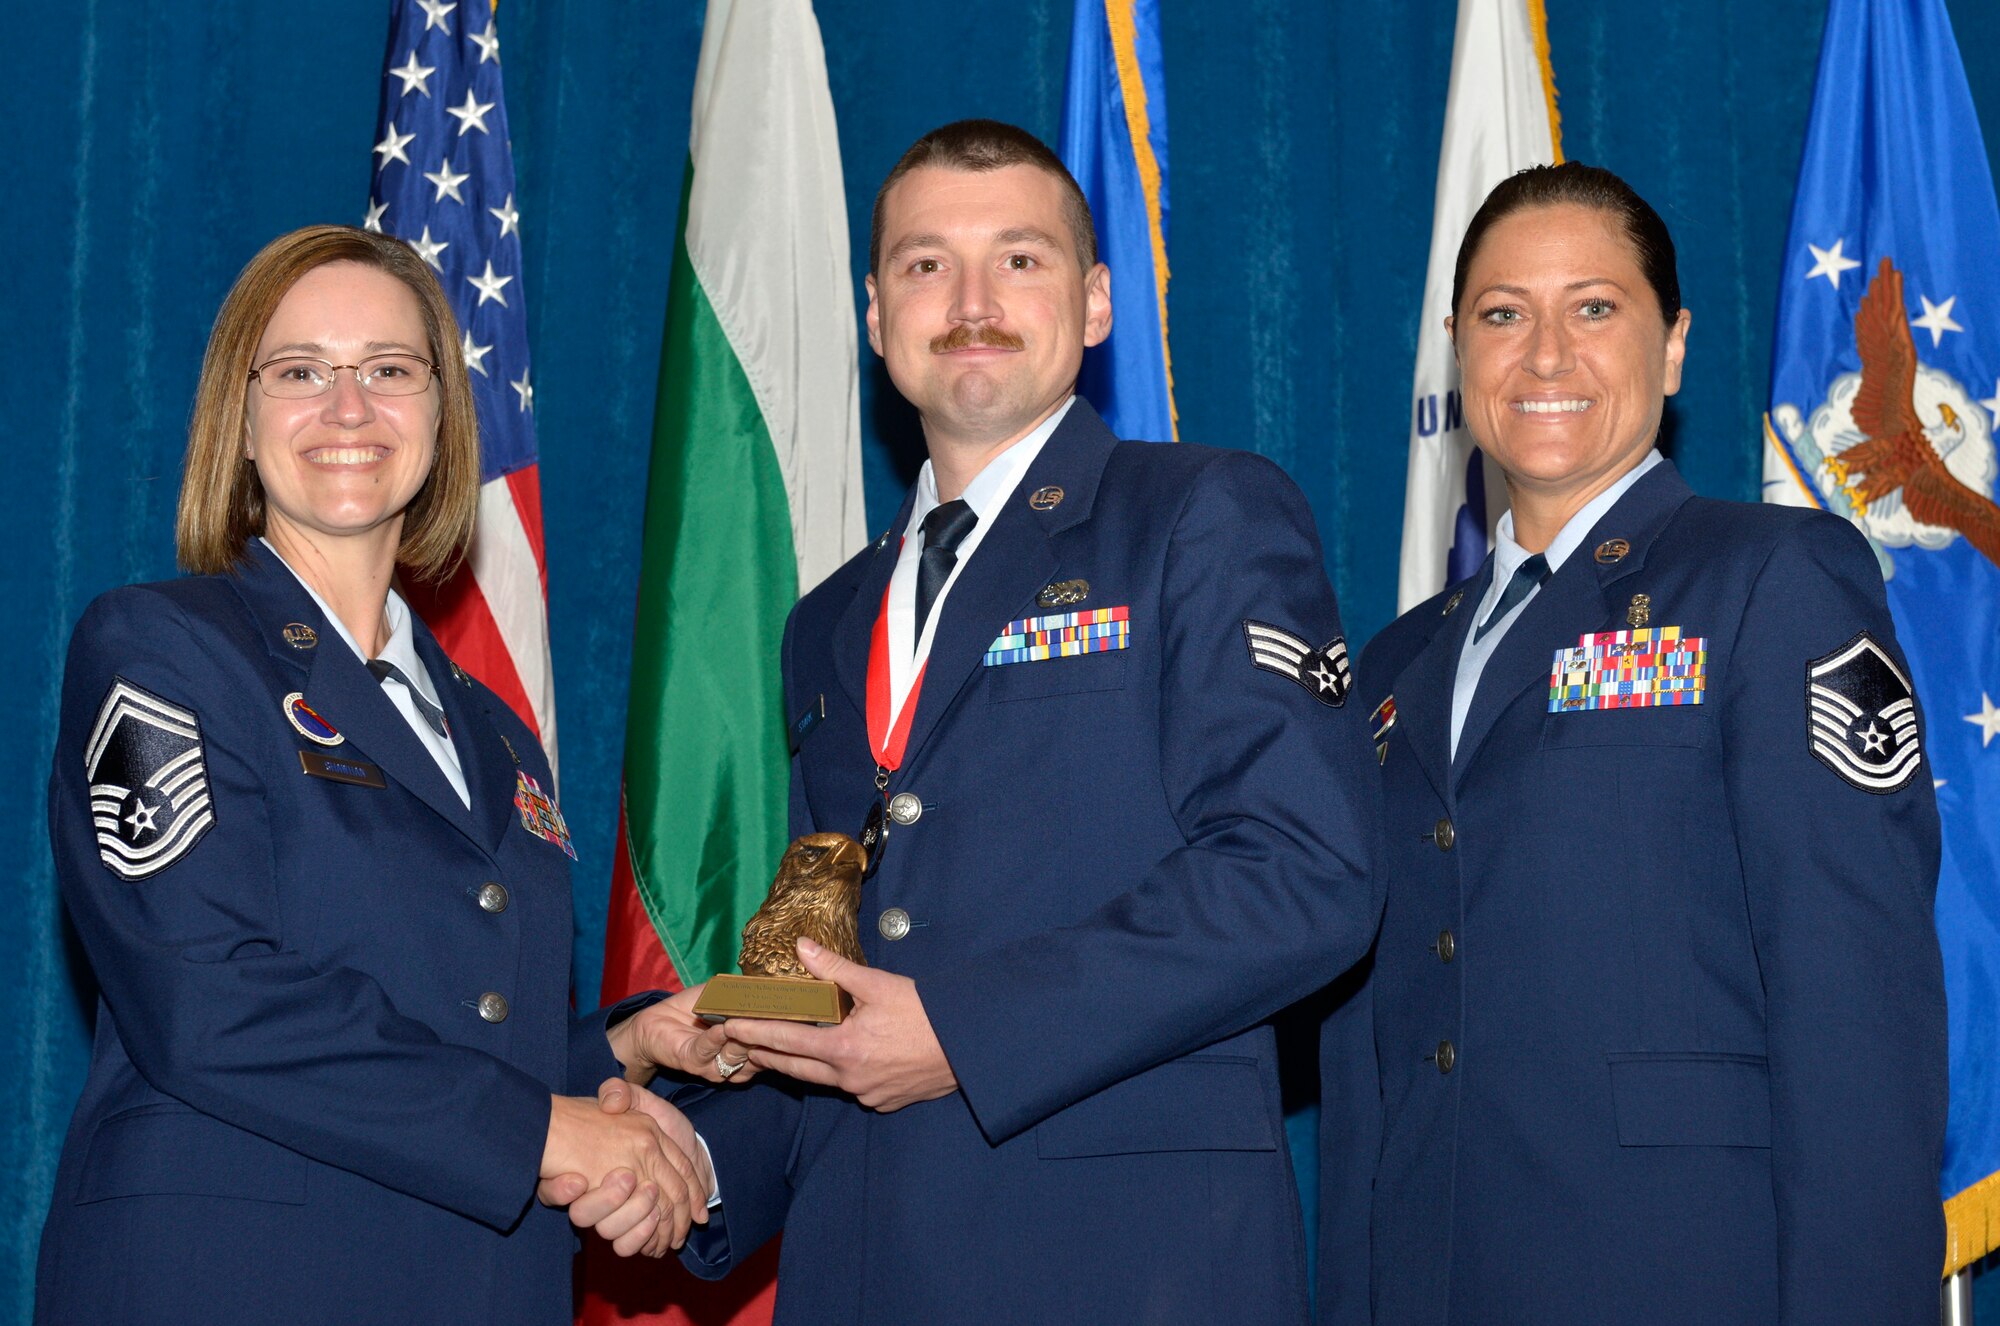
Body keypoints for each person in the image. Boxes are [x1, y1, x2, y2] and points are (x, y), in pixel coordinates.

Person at [570, 119, 1386, 1323]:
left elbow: (1304, 875)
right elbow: (841, 972)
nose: (968, 300)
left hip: (1122, 1268)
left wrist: (961, 1031)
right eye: (922, 264)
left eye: (1019, 258)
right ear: (872, 314)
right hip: (864, 1268)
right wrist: (693, 1170)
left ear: (1096, 302)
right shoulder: (828, 618)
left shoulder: (1199, 516)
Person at [37, 225, 751, 1325]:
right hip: (229, 1280)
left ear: (440, 418)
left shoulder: (495, 736)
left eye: (388, 371)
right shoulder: (160, 650)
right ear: (240, 416)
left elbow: (463, 1026)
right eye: (301, 373)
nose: (349, 408)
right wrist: (553, 1134)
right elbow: (206, 997)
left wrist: (627, 1044)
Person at [1321, 162, 1948, 1324]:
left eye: (1593, 309)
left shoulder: (1770, 582)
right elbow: (1373, 1036)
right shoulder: (1400, 661)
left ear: (1670, 347)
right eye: (1503, 315)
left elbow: (1855, 1014)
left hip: (1680, 1273)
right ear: (1457, 353)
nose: (1544, 355)